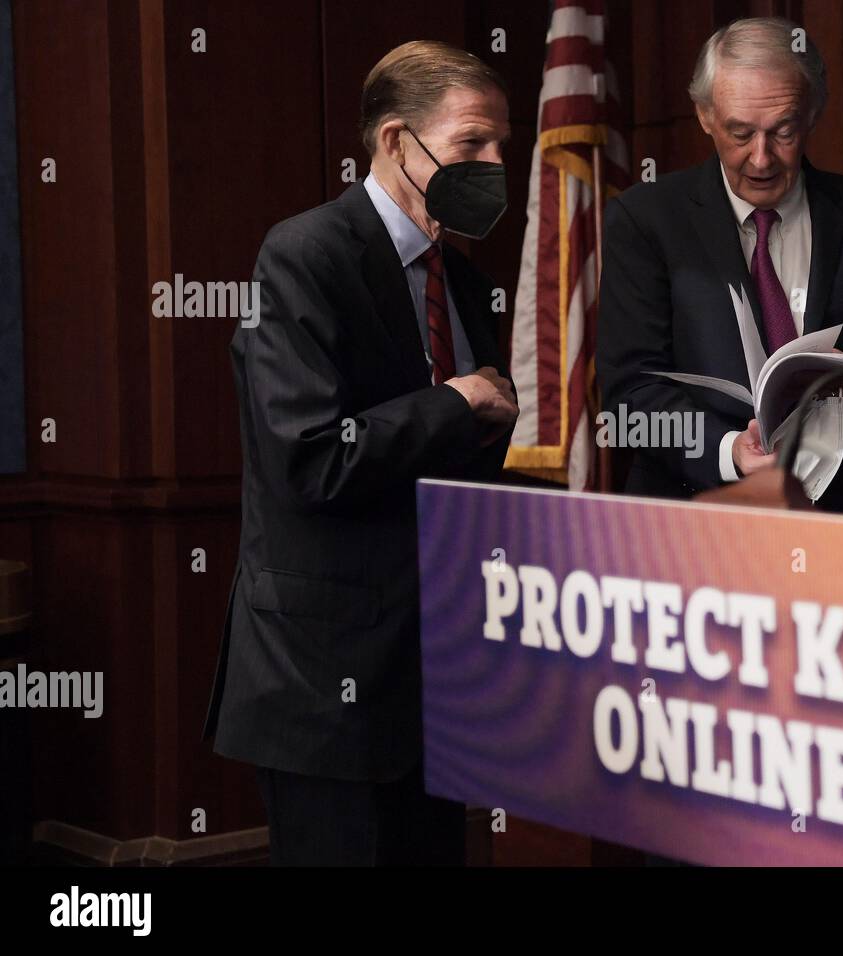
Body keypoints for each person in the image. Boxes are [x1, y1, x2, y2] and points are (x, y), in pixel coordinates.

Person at [202, 40, 518, 866]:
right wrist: (454, 402)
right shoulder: (303, 256)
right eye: (470, 146)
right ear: (393, 144)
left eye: (500, 148)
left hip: (436, 670)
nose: (493, 165)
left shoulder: (470, 283)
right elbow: (312, 458)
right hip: (324, 678)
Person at [597, 17, 843, 516]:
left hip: (841, 524)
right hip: (689, 524)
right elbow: (630, 398)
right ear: (704, 115)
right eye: (740, 133)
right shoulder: (646, 219)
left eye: (783, 131)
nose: (761, 159)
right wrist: (728, 451)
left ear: (812, 115)